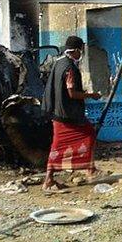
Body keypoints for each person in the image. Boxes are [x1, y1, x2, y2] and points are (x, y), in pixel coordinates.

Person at [42, 36, 102, 192]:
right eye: (80, 50)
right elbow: (72, 94)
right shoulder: (70, 68)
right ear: (75, 50)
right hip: (67, 115)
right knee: (88, 134)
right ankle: (51, 179)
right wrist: (91, 95)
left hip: (57, 112)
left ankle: (89, 168)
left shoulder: (58, 63)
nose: (81, 53)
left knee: (59, 144)